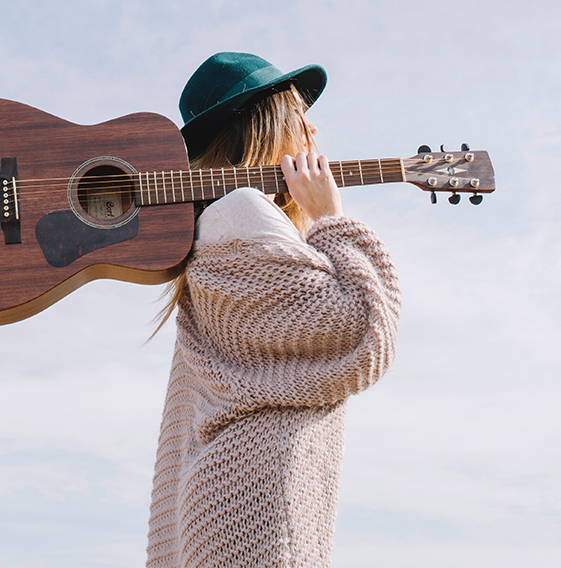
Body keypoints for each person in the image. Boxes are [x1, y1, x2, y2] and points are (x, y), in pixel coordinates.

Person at [146, 52, 401, 568]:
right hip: (257, 512)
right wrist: (331, 217)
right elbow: (361, 331)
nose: (312, 134)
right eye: (300, 118)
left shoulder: (214, 231)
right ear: (270, 126)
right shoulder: (241, 212)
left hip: (229, 504)